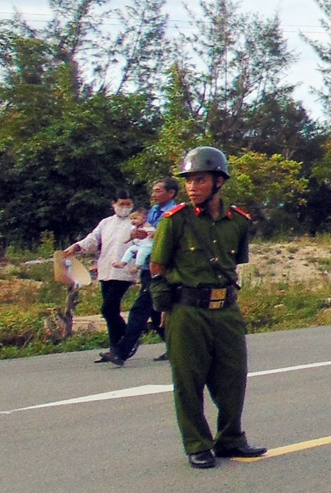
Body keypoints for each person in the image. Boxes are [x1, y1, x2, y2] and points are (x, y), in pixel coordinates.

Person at [148, 147, 265, 468]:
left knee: (233, 377)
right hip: (187, 310)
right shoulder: (175, 222)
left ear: (219, 182)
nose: (192, 187)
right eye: (188, 181)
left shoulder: (238, 222)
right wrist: (162, 301)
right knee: (189, 380)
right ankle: (197, 443)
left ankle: (230, 439)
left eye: (200, 180)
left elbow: (235, 263)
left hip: (226, 310)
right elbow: (157, 265)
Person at [108, 178, 182, 365]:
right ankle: (177, 348)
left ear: (171, 193)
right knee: (156, 310)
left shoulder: (177, 213)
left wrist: (154, 234)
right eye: (153, 190)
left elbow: (175, 238)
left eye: (158, 190)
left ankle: (122, 351)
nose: (153, 194)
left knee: (140, 308)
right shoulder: (153, 212)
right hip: (150, 264)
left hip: (165, 267)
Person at [64, 190, 140, 362]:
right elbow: (92, 240)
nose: (125, 208)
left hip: (124, 271)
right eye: (121, 204)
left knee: (108, 309)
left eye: (128, 204)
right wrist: (76, 247)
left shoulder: (135, 223)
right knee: (110, 312)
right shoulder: (106, 223)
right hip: (106, 270)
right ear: (113, 204)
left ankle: (129, 337)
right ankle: (115, 348)